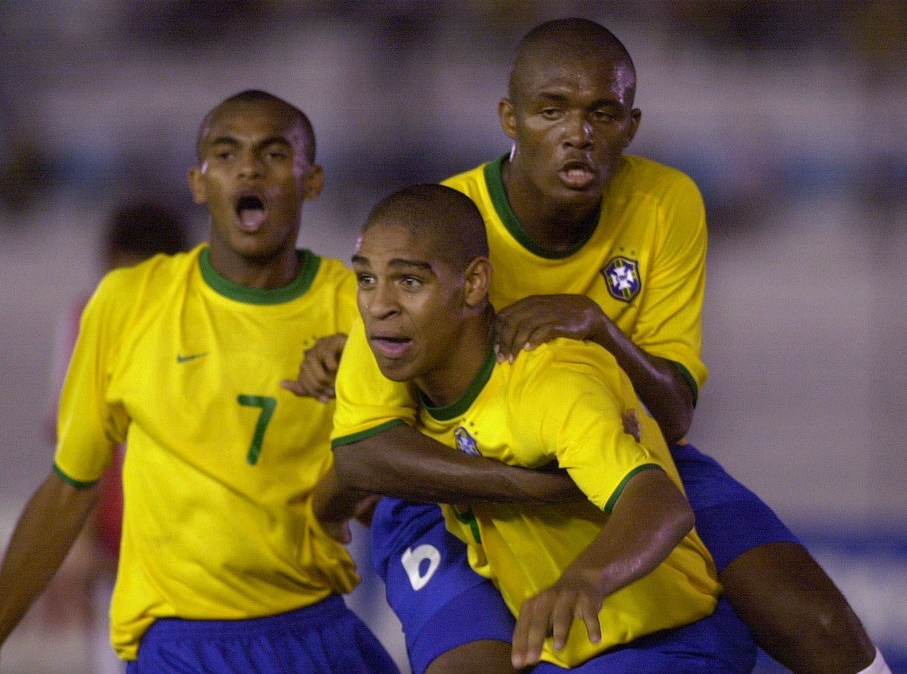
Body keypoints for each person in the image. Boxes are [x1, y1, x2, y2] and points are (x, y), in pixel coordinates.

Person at [308, 17, 889, 674]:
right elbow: (365, 452)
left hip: (619, 451)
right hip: (448, 487)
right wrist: (520, 487)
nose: (577, 134)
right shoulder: (432, 230)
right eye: (552, 110)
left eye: (602, 113)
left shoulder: (665, 203)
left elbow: (671, 418)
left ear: (630, 127)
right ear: (511, 117)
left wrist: (599, 326)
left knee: (818, 621)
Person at [0, 89, 399, 674]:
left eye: (272, 154)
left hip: (317, 633)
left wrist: (358, 395)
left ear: (310, 180)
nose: (248, 168)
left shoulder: (359, 309)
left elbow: (391, 501)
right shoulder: (127, 303)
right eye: (227, 153)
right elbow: (69, 487)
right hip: (182, 647)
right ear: (198, 182)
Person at [328, 182, 761, 672]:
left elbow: (660, 506)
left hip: (666, 642)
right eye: (366, 280)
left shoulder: (550, 385)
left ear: (473, 285)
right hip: (567, 654)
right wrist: (325, 514)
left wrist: (584, 580)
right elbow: (354, 462)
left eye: (409, 282)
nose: (379, 304)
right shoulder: (413, 389)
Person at [43, 200, 190, 674]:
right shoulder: (89, 319)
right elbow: (78, 446)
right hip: (117, 544)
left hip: (194, 545)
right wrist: (82, 544)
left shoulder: (203, 321)